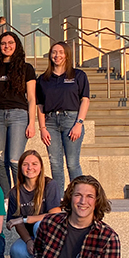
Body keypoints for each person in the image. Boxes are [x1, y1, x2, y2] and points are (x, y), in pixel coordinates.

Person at [0, 32, 37, 198]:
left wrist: (32, 123)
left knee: (14, 160)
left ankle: (21, 196)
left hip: (18, 116)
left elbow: (32, 98)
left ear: (17, 45)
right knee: (0, 161)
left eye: (10, 42)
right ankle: (6, 198)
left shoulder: (26, 68)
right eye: (3, 43)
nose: (7, 46)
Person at [36, 41, 90, 189]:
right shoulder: (43, 79)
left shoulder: (78, 75)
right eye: (54, 52)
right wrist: (42, 128)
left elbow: (85, 100)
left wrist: (79, 123)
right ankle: (58, 198)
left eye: (60, 52)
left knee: (72, 163)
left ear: (67, 55)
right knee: (55, 164)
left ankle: (78, 194)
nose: (57, 55)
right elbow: (40, 105)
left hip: (71, 121)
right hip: (50, 123)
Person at [6, 150, 62, 258]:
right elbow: (17, 224)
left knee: (39, 225)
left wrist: (25, 219)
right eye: (25, 164)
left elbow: (55, 215)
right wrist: (28, 241)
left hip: (52, 237)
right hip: (32, 236)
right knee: (16, 251)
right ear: (20, 168)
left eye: (34, 164)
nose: (30, 167)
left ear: (41, 167)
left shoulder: (50, 184)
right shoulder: (15, 192)